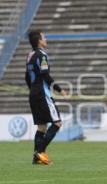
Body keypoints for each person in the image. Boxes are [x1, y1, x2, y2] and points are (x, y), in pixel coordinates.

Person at [25, 30, 67, 165]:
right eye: (44, 37)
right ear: (39, 41)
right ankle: (39, 152)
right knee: (57, 123)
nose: (46, 39)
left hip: (33, 94)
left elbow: (27, 76)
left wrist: (32, 90)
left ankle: (37, 159)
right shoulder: (42, 56)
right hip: (42, 95)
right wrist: (60, 89)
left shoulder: (30, 55)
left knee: (42, 127)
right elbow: (45, 75)